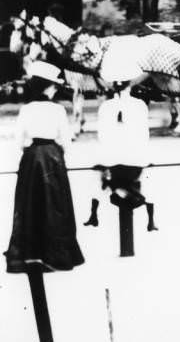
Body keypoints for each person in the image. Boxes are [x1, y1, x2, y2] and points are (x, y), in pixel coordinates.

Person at [5, 61, 84, 273]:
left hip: (31, 158)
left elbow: (19, 139)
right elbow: (66, 139)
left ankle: (32, 253)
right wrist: (58, 153)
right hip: (52, 157)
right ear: (48, 87)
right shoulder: (57, 110)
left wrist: (30, 152)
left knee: (30, 203)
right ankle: (57, 253)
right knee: (56, 204)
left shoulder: (27, 109)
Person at [84, 61, 157, 232]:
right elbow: (143, 136)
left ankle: (93, 214)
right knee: (149, 177)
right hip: (135, 162)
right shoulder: (139, 106)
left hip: (112, 162)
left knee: (96, 177)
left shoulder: (105, 107)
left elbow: (102, 136)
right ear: (129, 86)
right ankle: (151, 219)